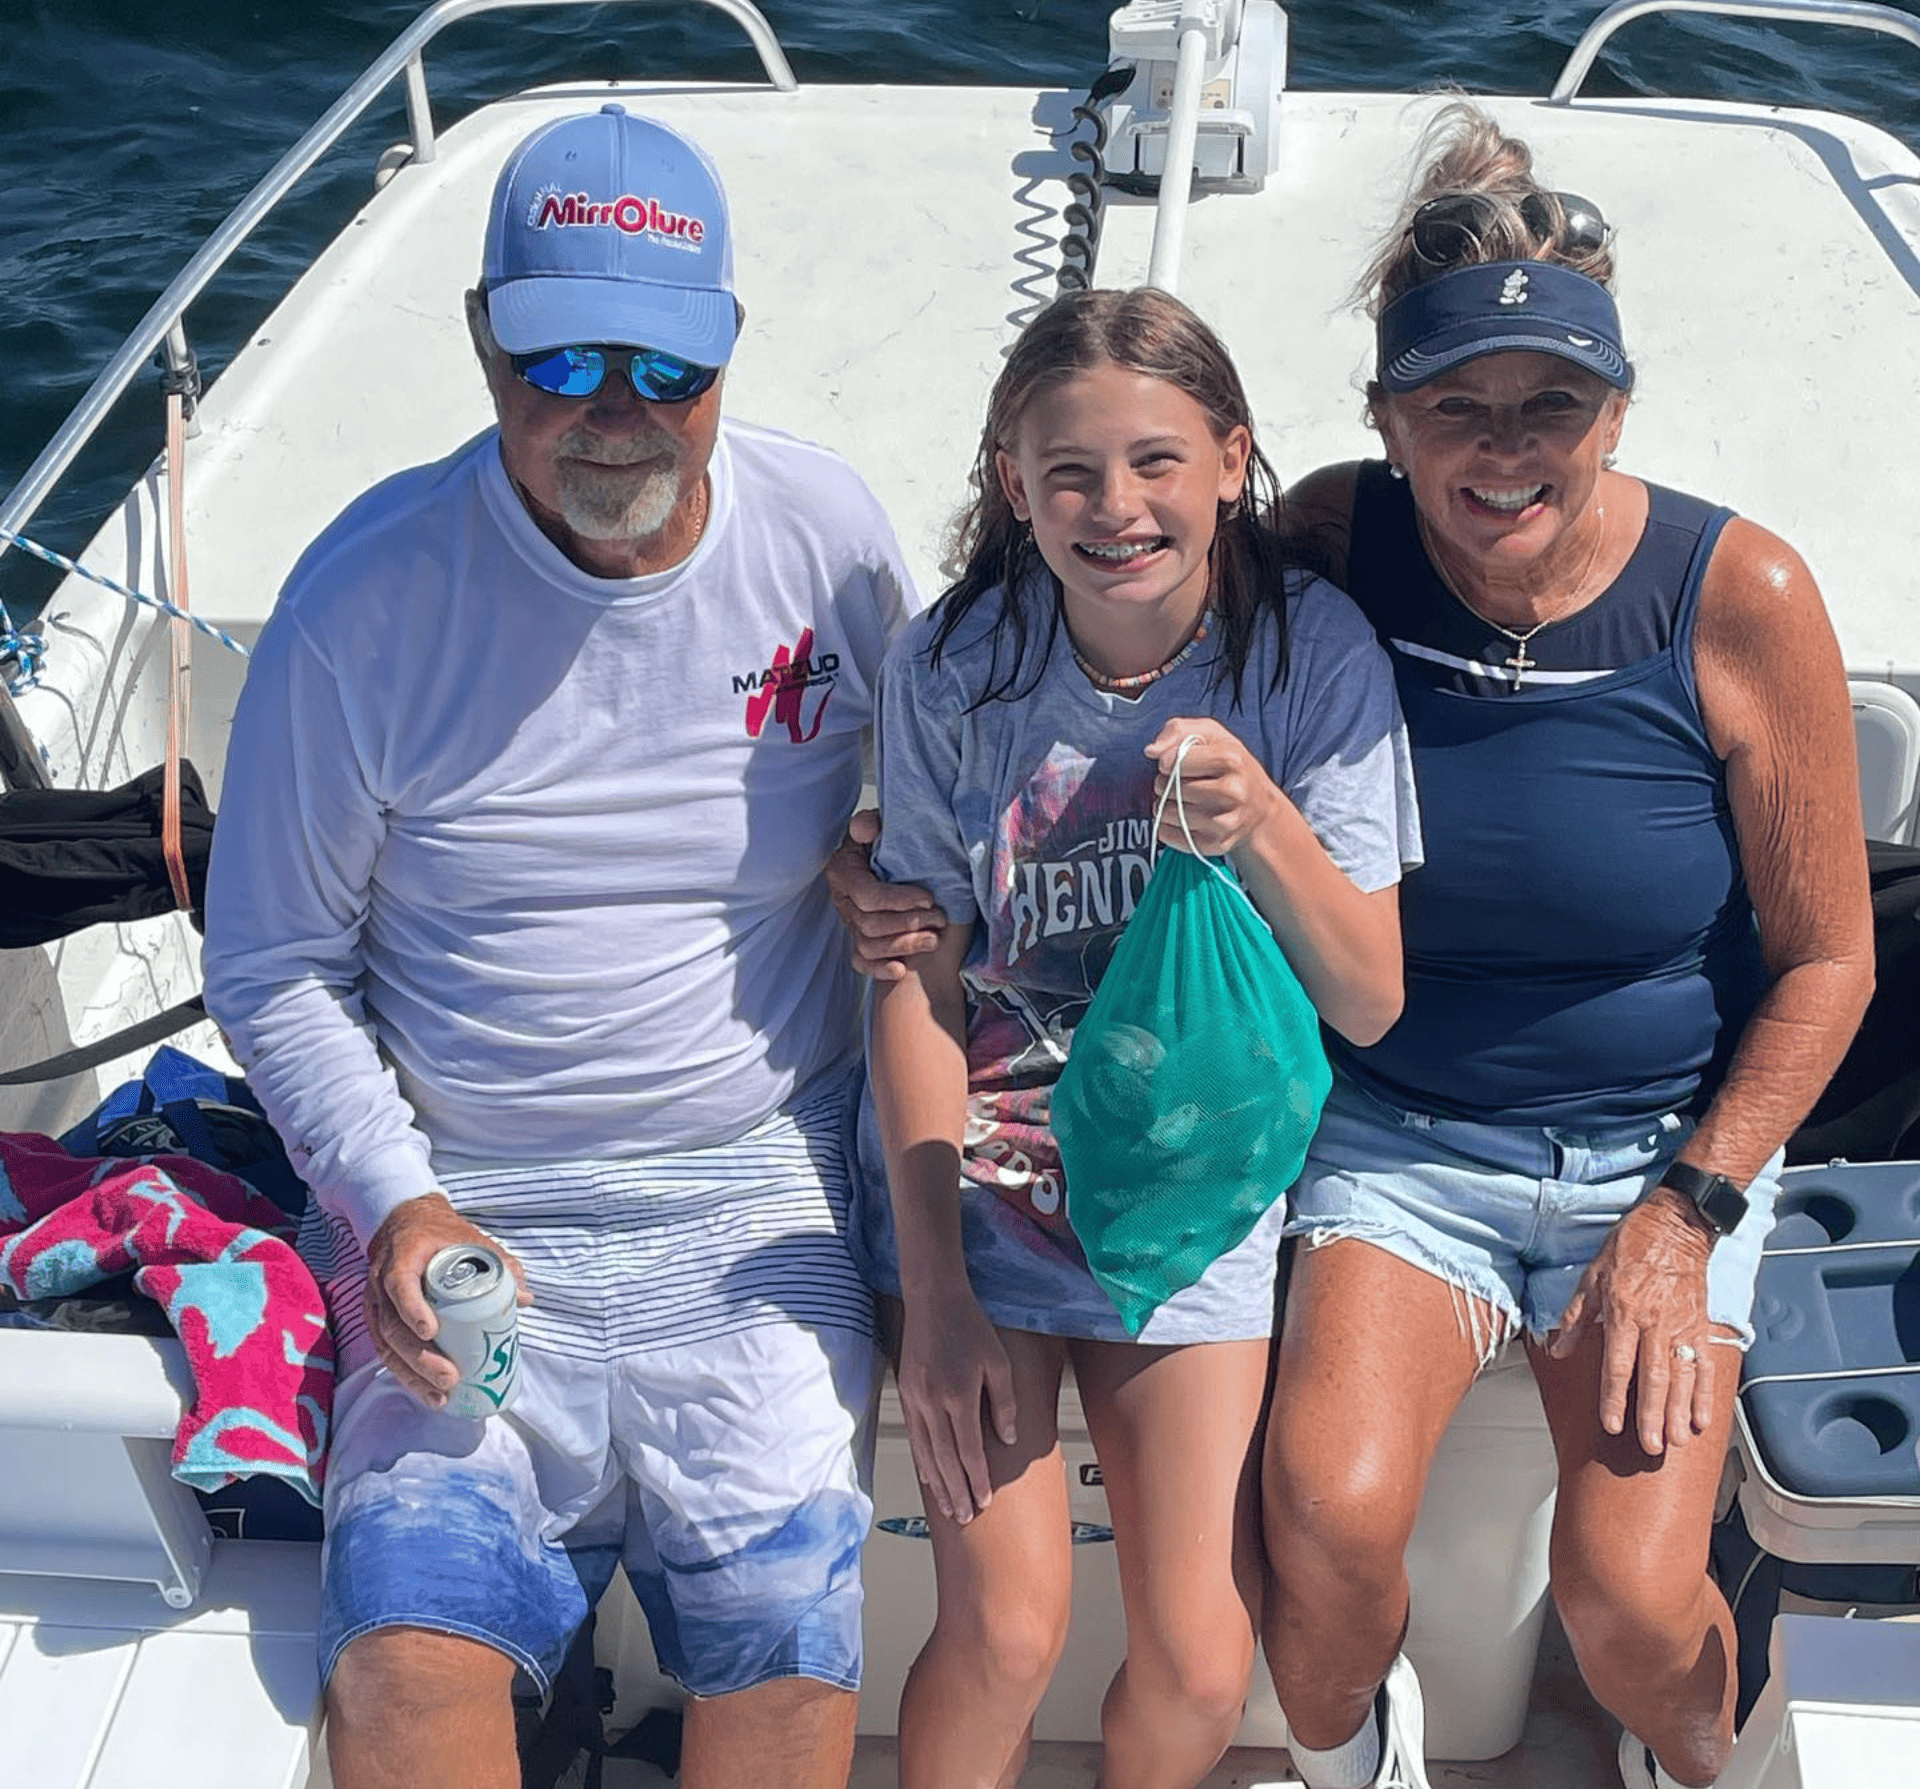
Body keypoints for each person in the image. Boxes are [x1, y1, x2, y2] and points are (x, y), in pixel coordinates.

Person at [202, 104, 915, 1789]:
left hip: (760, 1181)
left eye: (661, 369)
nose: (613, 415)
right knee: (400, 1671)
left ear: (727, 353)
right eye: (561, 361)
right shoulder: (360, 600)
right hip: (462, 1189)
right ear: (482, 344)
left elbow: (948, 791)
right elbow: (274, 963)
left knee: (792, 1658)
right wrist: (393, 1195)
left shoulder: (831, 545)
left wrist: (897, 877)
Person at [1253, 105, 1873, 1789]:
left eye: (1555, 407)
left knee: (1633, 1598)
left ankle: (1686, 1762)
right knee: (1321, 1518)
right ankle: (1349, 1763)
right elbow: (1124, 634)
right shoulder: (1329, 540)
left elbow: (1830, 961)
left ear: (1618, 411)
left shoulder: (1743, 592)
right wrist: (918, 863)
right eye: (1454, 406)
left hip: (1662, 1151)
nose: (1503, 447)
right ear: (1387, 420)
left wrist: (1688, 1212)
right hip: (1394, 1132)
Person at [857, 287, 1421, 1789]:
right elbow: (915, 980)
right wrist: (937, 1297)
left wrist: (1269, 826)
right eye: (1070, 472)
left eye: (1159, 461)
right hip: (981, 1182)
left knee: (1195, 1660)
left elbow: (1368, 995)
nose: (1118, 508)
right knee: (1007, 1631)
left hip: (1194, 1173)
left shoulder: (1314, 660)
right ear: (1012, 484)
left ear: (1235, 461)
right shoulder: (953, 665)